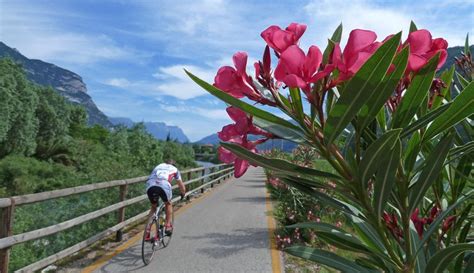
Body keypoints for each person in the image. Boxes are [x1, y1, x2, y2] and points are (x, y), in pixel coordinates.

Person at [145, 159, 186, 237]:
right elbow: (181, 186)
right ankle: (167, 226)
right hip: (164, 185)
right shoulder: (175, 169)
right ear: (173, 165)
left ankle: (147, 231)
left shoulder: (158, 166)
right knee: (168, 204)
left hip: (151, 185)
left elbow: (151, 176)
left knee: (153, 207)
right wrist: (183, 193)